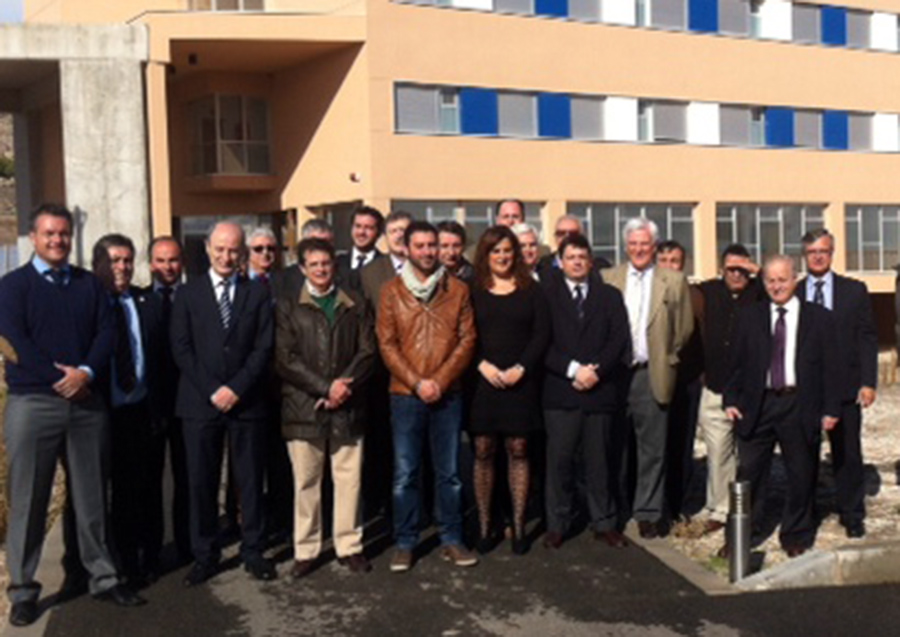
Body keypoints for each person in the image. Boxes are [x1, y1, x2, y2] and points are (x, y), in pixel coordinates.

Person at [0, 204, 145, 627]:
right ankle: (23, 591)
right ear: (33, 237)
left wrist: (86, 373)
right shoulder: (13, 286)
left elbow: (107, 332)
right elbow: (14, 341)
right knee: (29, 499)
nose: (57, 240)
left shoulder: (89, 285)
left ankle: (103, 577)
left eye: (63, 234)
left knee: (92, 496)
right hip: (33, 402)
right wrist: (57, 377)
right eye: (49, 233)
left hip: (85, 403)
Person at [171, 221, 276, 586]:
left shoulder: (256, 293)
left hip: (247, 403)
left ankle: (253, 550)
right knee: (201, 481)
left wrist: (237, 388)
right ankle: (205, 554)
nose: (226, 257)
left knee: (250, 480)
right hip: (200, 403)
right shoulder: (188, 294)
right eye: (220, 249)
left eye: (233, 250)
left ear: (242, 252)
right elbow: (181, 348)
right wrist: (214, 389)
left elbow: (263, 347)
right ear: (207, 248)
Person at [377, 220, 478, 572]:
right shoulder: (391, 291)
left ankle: (452, 538)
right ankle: (405, 542)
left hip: (447, 395)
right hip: (405, 395)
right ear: (406, 248)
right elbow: (387, 344)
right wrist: (418, 382)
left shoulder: (458, 290)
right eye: (419, 246)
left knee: (449, 473)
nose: (427, 252)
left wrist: (440, 380)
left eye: (431, 245)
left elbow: (467, 340)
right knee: (405, 473)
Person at [724, 255, 839, 557]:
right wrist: (730, 399)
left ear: (795, 280)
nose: (777, 286)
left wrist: (831, 409)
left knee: (801, 473)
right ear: (763, 283)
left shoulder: (819, 318)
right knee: (748, 474)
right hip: (757, 405)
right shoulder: (749, 316)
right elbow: (735, 363)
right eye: (771, 280)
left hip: (799, 404)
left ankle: (796, 534)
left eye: (782, 280)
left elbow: (831, 367)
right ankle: (740, 536)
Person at [275, 238, 376, 578]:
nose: (321, 269)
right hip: (304, 406)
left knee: (349, 480)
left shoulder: (355, 303)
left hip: (348, 404)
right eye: (314, 264)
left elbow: (367, 351)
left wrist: (342, 387)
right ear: (302, 268)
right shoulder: (289, 305)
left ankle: (349, 546)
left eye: (326, 263)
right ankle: (306, 549)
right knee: (306, 482)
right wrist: (323, 387)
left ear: (335, 265)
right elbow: (285, 358)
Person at [541, 234, 631, 550]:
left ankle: (604, 522)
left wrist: (596, 372)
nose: (577, 262)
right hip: (561, 391)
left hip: (599, 390)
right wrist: (572, 370)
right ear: (561, 262)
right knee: (560, 462)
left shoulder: (609, 296)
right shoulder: (547, 295)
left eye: (582, 257)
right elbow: (541, 342)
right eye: (571, 257)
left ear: (590, 261)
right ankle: (557, 523)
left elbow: (619, 339)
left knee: (600, 462)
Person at [604, 219, 693, 538]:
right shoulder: (609, 278)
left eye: (644, 244)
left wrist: (664, 353)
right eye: (633, 243)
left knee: (653, 449)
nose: (639, 249)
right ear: (626, 246)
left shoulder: (673, 281)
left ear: (654, 247)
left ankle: (648, 511)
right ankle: (616, 507)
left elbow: (683, 329)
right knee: (614, 445)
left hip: (651, 371)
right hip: (615, 374)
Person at [469, 226, 550, 554]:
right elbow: (464, 333)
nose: (502, 257)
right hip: (484, 382)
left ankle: (518, 527)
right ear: (485, 255)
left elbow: (542, 334)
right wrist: (481, 364)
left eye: (507, 250)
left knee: (519, 449)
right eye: (496, 251)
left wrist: (522, 367)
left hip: (521, 382)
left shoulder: (532, 289)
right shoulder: (472, 289)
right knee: (483, 450)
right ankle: (485, 526)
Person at [92, 234, 167, 586]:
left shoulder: (147, 302)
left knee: (147, 487)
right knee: (109, 492)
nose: (121, 267)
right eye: (113, 260)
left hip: (141, 409)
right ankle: (115, 562)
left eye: (126, 260)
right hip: (102, 412)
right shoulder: (91, 303)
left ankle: (149, 555)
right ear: (98, 265)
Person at [799, 229, 877, 538]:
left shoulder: (854, 291)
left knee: (848, 453)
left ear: (832, 253)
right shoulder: (794, 291)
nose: (818, 257)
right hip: (807, 389)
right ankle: (806, 514)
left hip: (845, 386)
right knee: (804, 454)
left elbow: (867, 337)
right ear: (805, 255)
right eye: (812, 252)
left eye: (824, 251)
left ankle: (852, 513)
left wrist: (868, 382)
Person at [694, 244, 763, 534]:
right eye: (731, 269)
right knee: (718, 453)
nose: (736, 274)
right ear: (721, 269)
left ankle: (747, 510)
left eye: (742, 269)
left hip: (749, 392)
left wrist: (758, 272)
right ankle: (720, 509)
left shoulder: (760, 293)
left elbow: (788, 289)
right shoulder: (707, 292)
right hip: (715, 387)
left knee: (749, 457)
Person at [146, 236, 191, 565]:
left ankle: (187, 546)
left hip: (188, 402)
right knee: (150, 481)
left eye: (173, 260)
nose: (167, 267)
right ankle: (151, 550)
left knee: (187, 479)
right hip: (150, 405)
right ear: (151, 264)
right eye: (161, 260)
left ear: (182, 262)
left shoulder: (193, 298)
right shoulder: (139, 300)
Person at [655, 240, 704, 524]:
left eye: (674, 261)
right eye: (664, 260)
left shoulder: (694, 295)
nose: (669, 266)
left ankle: (677, 504)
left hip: (686, 382)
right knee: (654, 446)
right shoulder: (647, 293)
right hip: (653, 379)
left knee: (681, 444)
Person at [271, 218, 335, 303]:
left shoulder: (346, 277)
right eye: (316, 244)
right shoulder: (283, 280)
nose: (321, 248)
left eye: (326, 243)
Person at [361, 210, 412, 307]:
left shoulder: (428, 267)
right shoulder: (370, 273)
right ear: (385, 237)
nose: (399, 236)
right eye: (393, 231)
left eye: (403, 230)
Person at [537, 216, 610, 278]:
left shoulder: (599, 267)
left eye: (573, 234)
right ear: (555, 237)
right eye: (561, 233)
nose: (566, 237)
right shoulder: (541, 266)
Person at [335, 205, 385, 289]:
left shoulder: (385, 267)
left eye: (368, 228)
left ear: (379, 233)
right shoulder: (336, 264)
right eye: (358, 226)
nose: (361, 232)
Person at [437, 220, 474, 285]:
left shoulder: (476, 279)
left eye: (456, 246)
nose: (451, 252)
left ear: (463, 247)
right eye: (444, 246)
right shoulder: (424, 277)